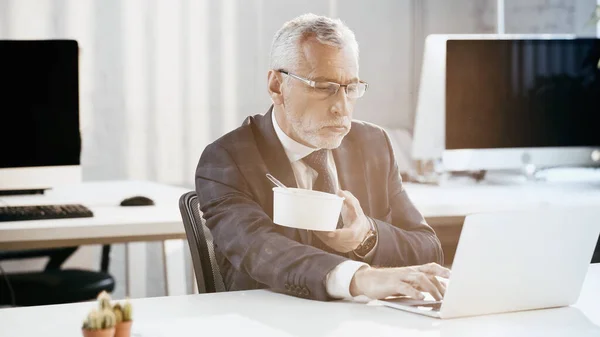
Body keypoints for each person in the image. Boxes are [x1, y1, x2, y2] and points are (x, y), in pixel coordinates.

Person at [195, 13, 449, 302]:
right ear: (277, 86)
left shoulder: (373, 144)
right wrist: (360, 278)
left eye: (350, 88)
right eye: (324, 88)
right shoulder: (227, 159)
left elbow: (429, 248)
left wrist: (367, 235)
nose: (341, 108)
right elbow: (262, 249)